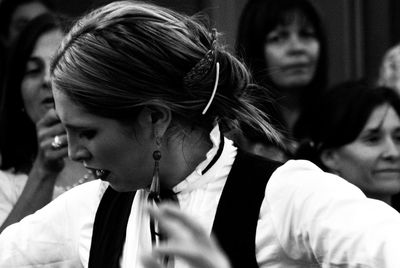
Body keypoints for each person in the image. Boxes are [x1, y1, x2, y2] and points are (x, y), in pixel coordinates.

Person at [1, 1, 400, 267]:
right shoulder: (89, 209)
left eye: (87, 132)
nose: (74, 152)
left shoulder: (285, 195)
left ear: (155, 118)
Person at [0, 13, 92, 232]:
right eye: (33, 70)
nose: (47, 79)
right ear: (17, 93)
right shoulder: (5, 180)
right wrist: (43, 170)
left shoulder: (117, 161)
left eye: (59, 64)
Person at [295, 81, 400, 210]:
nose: (394, 153)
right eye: (373, 139)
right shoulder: (316, 227)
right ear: (330, 157)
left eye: (398, 138)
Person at [236, 0, 328, 141]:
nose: (297, 48)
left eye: (306, 34)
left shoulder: (337, 120)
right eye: (278, 38)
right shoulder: (233, 129)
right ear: (255, 50)